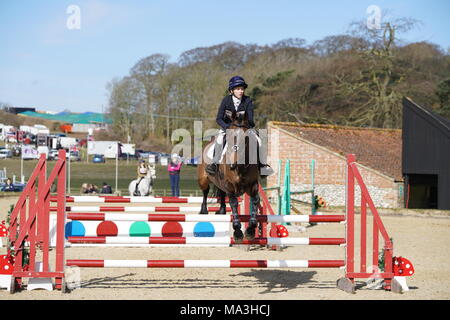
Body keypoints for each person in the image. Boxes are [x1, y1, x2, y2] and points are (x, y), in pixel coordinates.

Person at [205, 75, 274, 175]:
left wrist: (244, 128)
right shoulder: (226, 101)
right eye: (238, 89)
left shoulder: (248, 101)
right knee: (219, 140)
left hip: (244, 128)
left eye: (242, 89)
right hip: (227, 128)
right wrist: (227, 128)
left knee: (259, 141)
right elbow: (218, 119)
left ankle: (262, 166)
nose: (241, 91)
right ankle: (214, 164)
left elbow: (250, 119)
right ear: (232, 90)